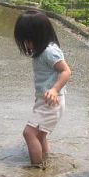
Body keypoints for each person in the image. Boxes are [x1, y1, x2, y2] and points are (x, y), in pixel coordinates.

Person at [14, 10, 72, 166]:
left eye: (27, 40)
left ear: (37, 36)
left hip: (52, 101)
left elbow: (66, 71)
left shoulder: (49, 51)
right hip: (47, 100)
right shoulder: (42, 51)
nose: (26, 44)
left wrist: (54, 90)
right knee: (39, 135)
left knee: (28, 133)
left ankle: (36, 168)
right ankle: (45, 161)